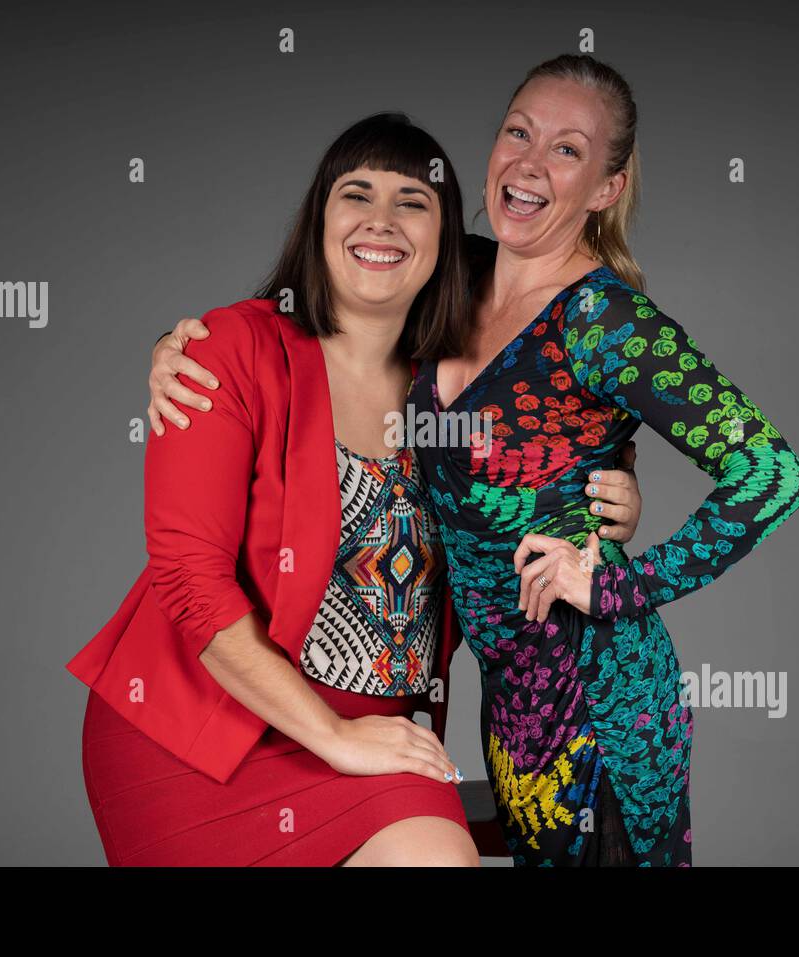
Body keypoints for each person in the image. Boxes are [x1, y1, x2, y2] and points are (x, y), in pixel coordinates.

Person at [150, 55, 799, 867]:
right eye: (519, 133)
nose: (531, 164)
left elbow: (774, 473)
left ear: (606, 187)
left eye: (568, 150)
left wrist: (617, 582)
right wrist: (182, 348)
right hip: (507, 698)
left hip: (601, 697)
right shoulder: (455, 274)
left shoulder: (605, 319)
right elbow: (328, 293)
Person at [68, 111, 645, 867]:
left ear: (446, 243)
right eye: (356, 194)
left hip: (385, 735)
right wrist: (333, 735)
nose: (381, 221)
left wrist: (617, 485)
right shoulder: (231, 351)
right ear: (319, 220)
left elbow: (578, 387)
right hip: (200, 733)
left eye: (413, 201)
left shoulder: (460, 382)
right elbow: (188, 580)